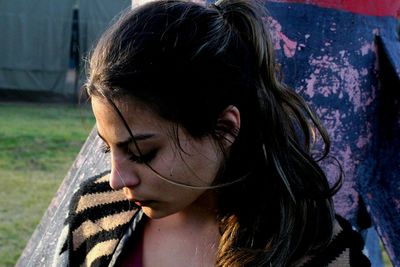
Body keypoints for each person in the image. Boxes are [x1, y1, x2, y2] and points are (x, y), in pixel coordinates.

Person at [55, 0, 371, 266]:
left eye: (142, 153)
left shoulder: (321, 251)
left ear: (225, 128)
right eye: (108, 149)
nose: (117, 179)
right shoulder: (94, 210)